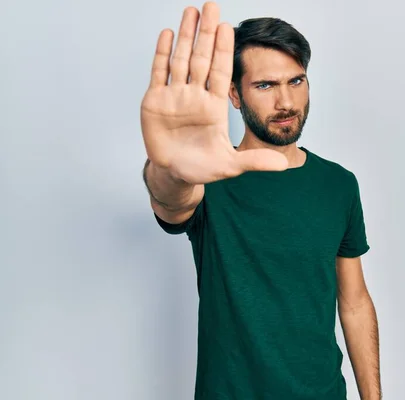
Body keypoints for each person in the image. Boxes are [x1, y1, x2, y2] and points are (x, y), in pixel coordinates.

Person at [140, 2, 381, 399]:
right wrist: (170, 168)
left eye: (296, 81)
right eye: (265, 85)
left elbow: (353, 302)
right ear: (234, 94)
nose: (286, 102)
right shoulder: (208, 181)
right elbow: (170, 201)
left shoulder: (339, 184)